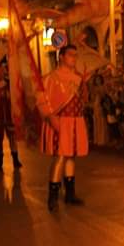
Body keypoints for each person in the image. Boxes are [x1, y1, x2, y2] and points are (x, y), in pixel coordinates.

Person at [38, 45, 89, 211]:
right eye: (70, 55)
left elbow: (83, 100)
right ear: (61, 57)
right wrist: (50, 116)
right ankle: (52, 196)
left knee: (71, 156)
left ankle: (70, 194)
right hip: (61, 120)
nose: (74, 58)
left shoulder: (79, 77)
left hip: (76, 120)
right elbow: (41, 99)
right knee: (60, 156)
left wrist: (84, 86)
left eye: (76, 55)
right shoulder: (51, 77)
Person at [0, 63, 22, 171]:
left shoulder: (10, 83)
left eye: (1, 70)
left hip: (9, 113)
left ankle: (15, 160)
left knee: (12, 137)